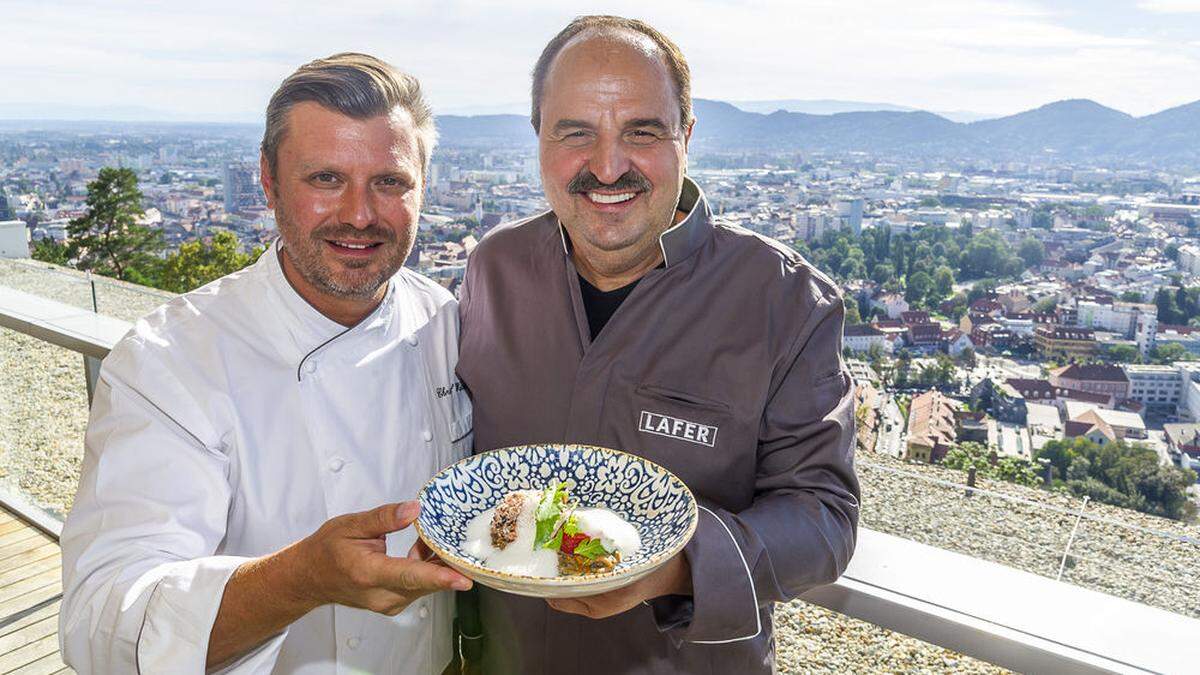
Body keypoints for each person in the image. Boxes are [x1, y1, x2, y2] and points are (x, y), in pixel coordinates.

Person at [455, 15, 860, 674]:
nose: (607, 166)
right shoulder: (492, 269)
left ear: (686, 138)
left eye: (642, 131)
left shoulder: (784, 301)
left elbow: (823, 518)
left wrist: (678, 566)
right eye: (575, 132)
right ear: (539, 139)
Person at [59, 53, 474, 674]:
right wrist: (300, 579)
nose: (360, 215)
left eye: (390, 182)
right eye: (325, 179)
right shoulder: (168, 362)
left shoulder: (446, 322)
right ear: (268, 180)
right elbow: (102, 622)